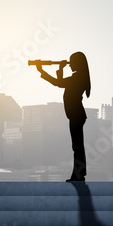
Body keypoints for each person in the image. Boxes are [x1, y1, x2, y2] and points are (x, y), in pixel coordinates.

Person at [36, 52, 91, 182]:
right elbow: (60, 83)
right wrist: (59, 70)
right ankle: (79, 174)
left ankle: (78, 175)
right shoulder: (79, 77)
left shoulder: (78, 78)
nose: (70, 64)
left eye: (72, 62)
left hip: (76, 115)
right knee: (77, 146)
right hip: (76, 115)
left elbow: (58, 83)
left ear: (77, 64)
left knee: (77, 147)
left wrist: (42, 70)